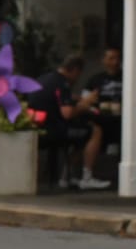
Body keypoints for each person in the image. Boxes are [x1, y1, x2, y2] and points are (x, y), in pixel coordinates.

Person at [29, 53, 91, 189]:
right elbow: (67, 113)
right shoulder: (62, 83)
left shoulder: (44, 79)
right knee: (90, 131)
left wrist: (74, 99)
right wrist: (82, 108)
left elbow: (54, 97)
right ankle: (70, 174)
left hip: (36, 126)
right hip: (53, 130)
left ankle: (62, 173)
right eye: (78, 74)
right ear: (75, 70)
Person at [77, 47, 123, 189]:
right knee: (94, 131)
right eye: (111, 58)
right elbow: (84, 102)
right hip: (100, 119)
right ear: (103, 61)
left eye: (117, 58)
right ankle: (86, 175)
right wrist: (91, 101)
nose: (114, 62)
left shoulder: (127, 77)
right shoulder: (95, 80)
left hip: (122, 120)